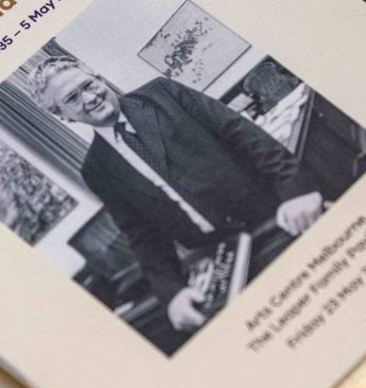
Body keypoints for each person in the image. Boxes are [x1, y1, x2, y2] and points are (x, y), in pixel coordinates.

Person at [30, 55, 325, 334]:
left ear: (98, 77)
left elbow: (247, 137)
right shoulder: (96, 170)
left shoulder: (163, 94)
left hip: (282, 217)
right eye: (72, 98)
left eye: (89, 85)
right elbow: (144, 238)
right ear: (62, 115)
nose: (90, 98)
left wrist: (297, 192)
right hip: (226, 260)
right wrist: (172, 294)